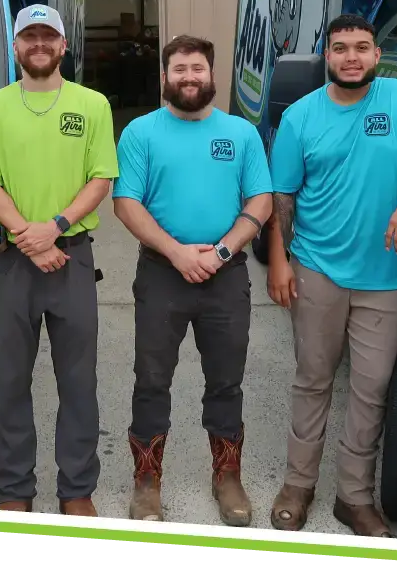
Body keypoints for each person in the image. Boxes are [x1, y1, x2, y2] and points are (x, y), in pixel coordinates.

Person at [266, 14, 397, 538]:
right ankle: (297, 486)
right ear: (325, 57)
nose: (350, 57)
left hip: (384, 278)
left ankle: (353, 497)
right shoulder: (301, 116)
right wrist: (281, 262)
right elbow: (282, 194)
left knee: (372, 390)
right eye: (339, 48)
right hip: (318, 269)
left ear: (377, 56)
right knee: (313, 381)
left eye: (361, 47)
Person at [112, 34, 273, 526]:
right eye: (178, 69)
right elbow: (126, 203)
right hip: (162, 274)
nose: (188, 77)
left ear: (211, 74)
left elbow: (260, 202)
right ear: (165, 77)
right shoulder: (141, 133)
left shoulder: (241, 135)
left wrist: (221, 252)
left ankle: (226, 477)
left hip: (226, 277)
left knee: (226, 381)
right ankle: (147, 483)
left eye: (197, 69)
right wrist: (177, 252)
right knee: (151, 380)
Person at [0, 4, 119, 516]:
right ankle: (15, 490)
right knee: (8, 380)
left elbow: (100, 178)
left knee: (78, 381)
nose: (38, 45)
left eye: (47, 36)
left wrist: (52, 229)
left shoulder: (92, 104)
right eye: (28, 36)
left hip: (71, 258)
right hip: (13, 262)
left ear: (62, 46)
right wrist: (26, 236)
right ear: (15, 47)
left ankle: (76, 489)